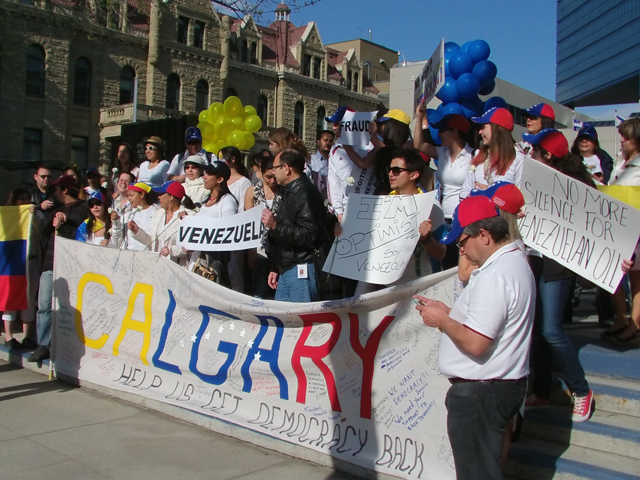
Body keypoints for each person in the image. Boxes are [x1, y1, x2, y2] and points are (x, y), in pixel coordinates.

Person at [414, 194, 535, 480]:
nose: (463, 252)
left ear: (483, 235)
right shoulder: (514, 263)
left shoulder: (495, 275)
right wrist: (450, 313)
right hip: (495, 387)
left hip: (481, 393)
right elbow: (490, 323)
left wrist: (443, 321)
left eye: (462, 242)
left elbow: (477, 343)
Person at [523, 128, 596, 421]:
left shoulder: (575, 186)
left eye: (534, 151)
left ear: (548, 155)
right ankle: (542, 391)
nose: (529, 155)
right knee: (538, 331)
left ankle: (581, 390)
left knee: (551, 329)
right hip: (535, 259)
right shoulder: (534, 181)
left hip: (559, 265)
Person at [29, 175, 89, 363]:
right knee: (44, 305)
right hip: (50, 263)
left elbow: (82, 237)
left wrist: (64, 226)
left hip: (70, 266)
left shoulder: (83, 209)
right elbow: (41, 228)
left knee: (69, 307)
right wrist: (48, 215)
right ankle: (43, 344)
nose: (53, 193)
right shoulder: (56, 208)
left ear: (64, 190)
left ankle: (67, 343)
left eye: (56, 189)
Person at [261, 149, 327, 302]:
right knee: (283, 322)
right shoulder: (289, 192)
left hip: (302, 269)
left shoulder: (305, 193)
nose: (273, 172)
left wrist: (275, 225)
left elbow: (309, 235)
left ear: (286, 168)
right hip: (287, 268)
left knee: (301, 322)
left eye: (275, 167)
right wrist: (276, 267)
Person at [415, 109, 474, 270]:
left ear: (455, 132)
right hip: (442, 218)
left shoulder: (473, 156)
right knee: (442, 266)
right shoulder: (442, 153)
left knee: (459, 265)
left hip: (463, 220)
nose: (439, 134)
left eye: (442, 130)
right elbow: (418, 144)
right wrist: (420, 118)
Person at [604, 118, 640, 344]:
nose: (622, 140)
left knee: (636, 278)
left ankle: (634, 324)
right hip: (616, 226)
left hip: (635, 229)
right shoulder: (620, 161)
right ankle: (620, 318)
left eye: (626, 136)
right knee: (612, 275)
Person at [187, 161, 239, 287]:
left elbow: (227, 232)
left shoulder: (228, 202)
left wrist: (199, 240)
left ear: (220, 179)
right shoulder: (206, 202)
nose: (204, 176)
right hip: (198, 260)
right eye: (205, 173)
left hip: (214, 264)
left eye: (209, 174)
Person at [325, 106, 376, 222]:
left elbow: (364, 164)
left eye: (337, 124)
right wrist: (339, 212)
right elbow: (333, 183)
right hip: (347, 210)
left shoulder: (370, 145)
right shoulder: (335, 150)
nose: (334, 128)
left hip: (371, 208)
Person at [461, 107, 524, 198]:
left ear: (497, 129)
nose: (480, 132)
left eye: (484, 127)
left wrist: (490, 194)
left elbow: (521, 199)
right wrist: (474, 196)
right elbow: (464, 192)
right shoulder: (478, 154)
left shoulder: (518, 158)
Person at [2, 188, 37, 350]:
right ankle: (8, 336)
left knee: (29, 299)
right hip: (14, 263)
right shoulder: (8, 217)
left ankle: (27, 336)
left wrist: (34, 215)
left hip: (31, 261)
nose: (26, 202)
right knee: (11, 297)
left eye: (28, 199)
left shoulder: (34, 215)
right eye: (22, 199)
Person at [245, 154, 282, 299]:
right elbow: (248, 223)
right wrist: (250, 251)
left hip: (279, 245)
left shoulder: (283, 191)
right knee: (258, 290)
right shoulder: (252, 192)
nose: (272, 181)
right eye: (268, 177)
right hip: (259, 246)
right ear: (261, 173)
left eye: (274, 177)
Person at [129, 181, 190, 265]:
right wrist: (137, 231)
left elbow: (189, 247)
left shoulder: (188, 216)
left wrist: (170, 250)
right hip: (156, 266)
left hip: (177, 267)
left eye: (161, 194)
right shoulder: (158, 214)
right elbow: (152, 242)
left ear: (171, 197)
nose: (158, 197)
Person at [110, 182, 158, 251]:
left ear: (141, 195)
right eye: (128, 196)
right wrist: (116, 222)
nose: (129, 199)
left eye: (131, 195)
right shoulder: (128, 214)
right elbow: (118, 238)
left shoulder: (155, 212)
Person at [219, 146, 252, 212]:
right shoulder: (219, 180)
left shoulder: (244, 182)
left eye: (222, 158)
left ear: (233, 159)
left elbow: (242, 209)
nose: (219, 161)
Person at [309, 129, 334, 198]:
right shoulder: (311, 160)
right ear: (318, 142)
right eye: (325, 140)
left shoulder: (335, 161)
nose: (328, 143)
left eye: (331, 141)